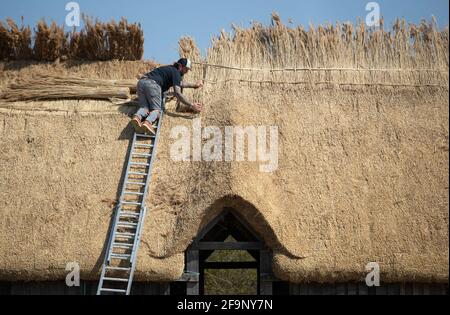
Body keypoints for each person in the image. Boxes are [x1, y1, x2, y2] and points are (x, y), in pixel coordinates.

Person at [131, 58, 203, 135]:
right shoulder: (176, 72)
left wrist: (194, 85)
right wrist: (191, 105)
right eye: (186, 69)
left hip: (141, 83)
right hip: (153, 85)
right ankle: (148, 122)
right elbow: (178, 93)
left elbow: (180, 83)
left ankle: (137, 117)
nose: (186, 72)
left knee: (144, 108)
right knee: (156, 110)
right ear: (180, 66)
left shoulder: (169, 69)